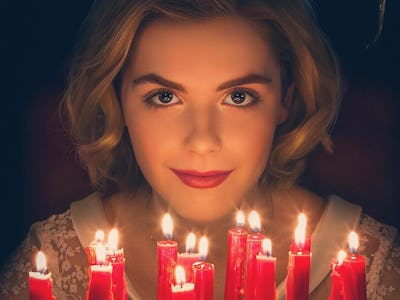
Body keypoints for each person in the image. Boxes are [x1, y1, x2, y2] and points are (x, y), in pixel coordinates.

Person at [1, 0, 399, 299]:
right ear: (117, 99)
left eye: (239, 96)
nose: (203, 141)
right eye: (164, 96)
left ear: (286, 99)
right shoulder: (53, 262)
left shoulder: (377, 267)